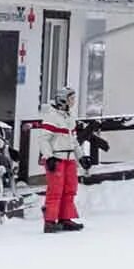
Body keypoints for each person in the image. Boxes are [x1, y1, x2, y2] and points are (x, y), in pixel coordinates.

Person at [31, 88, 85, 233]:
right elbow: (44, 139)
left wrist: (81, 156)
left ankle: (65, 218)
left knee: (70, 189)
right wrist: (49, 157)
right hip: (57, 158)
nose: (73, 102)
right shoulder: (51, 117)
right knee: (55, 190)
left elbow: (73, 140)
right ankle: (50, 221)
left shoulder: (69, 117)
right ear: (62, 100)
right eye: (71, 98)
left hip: (70, 159)